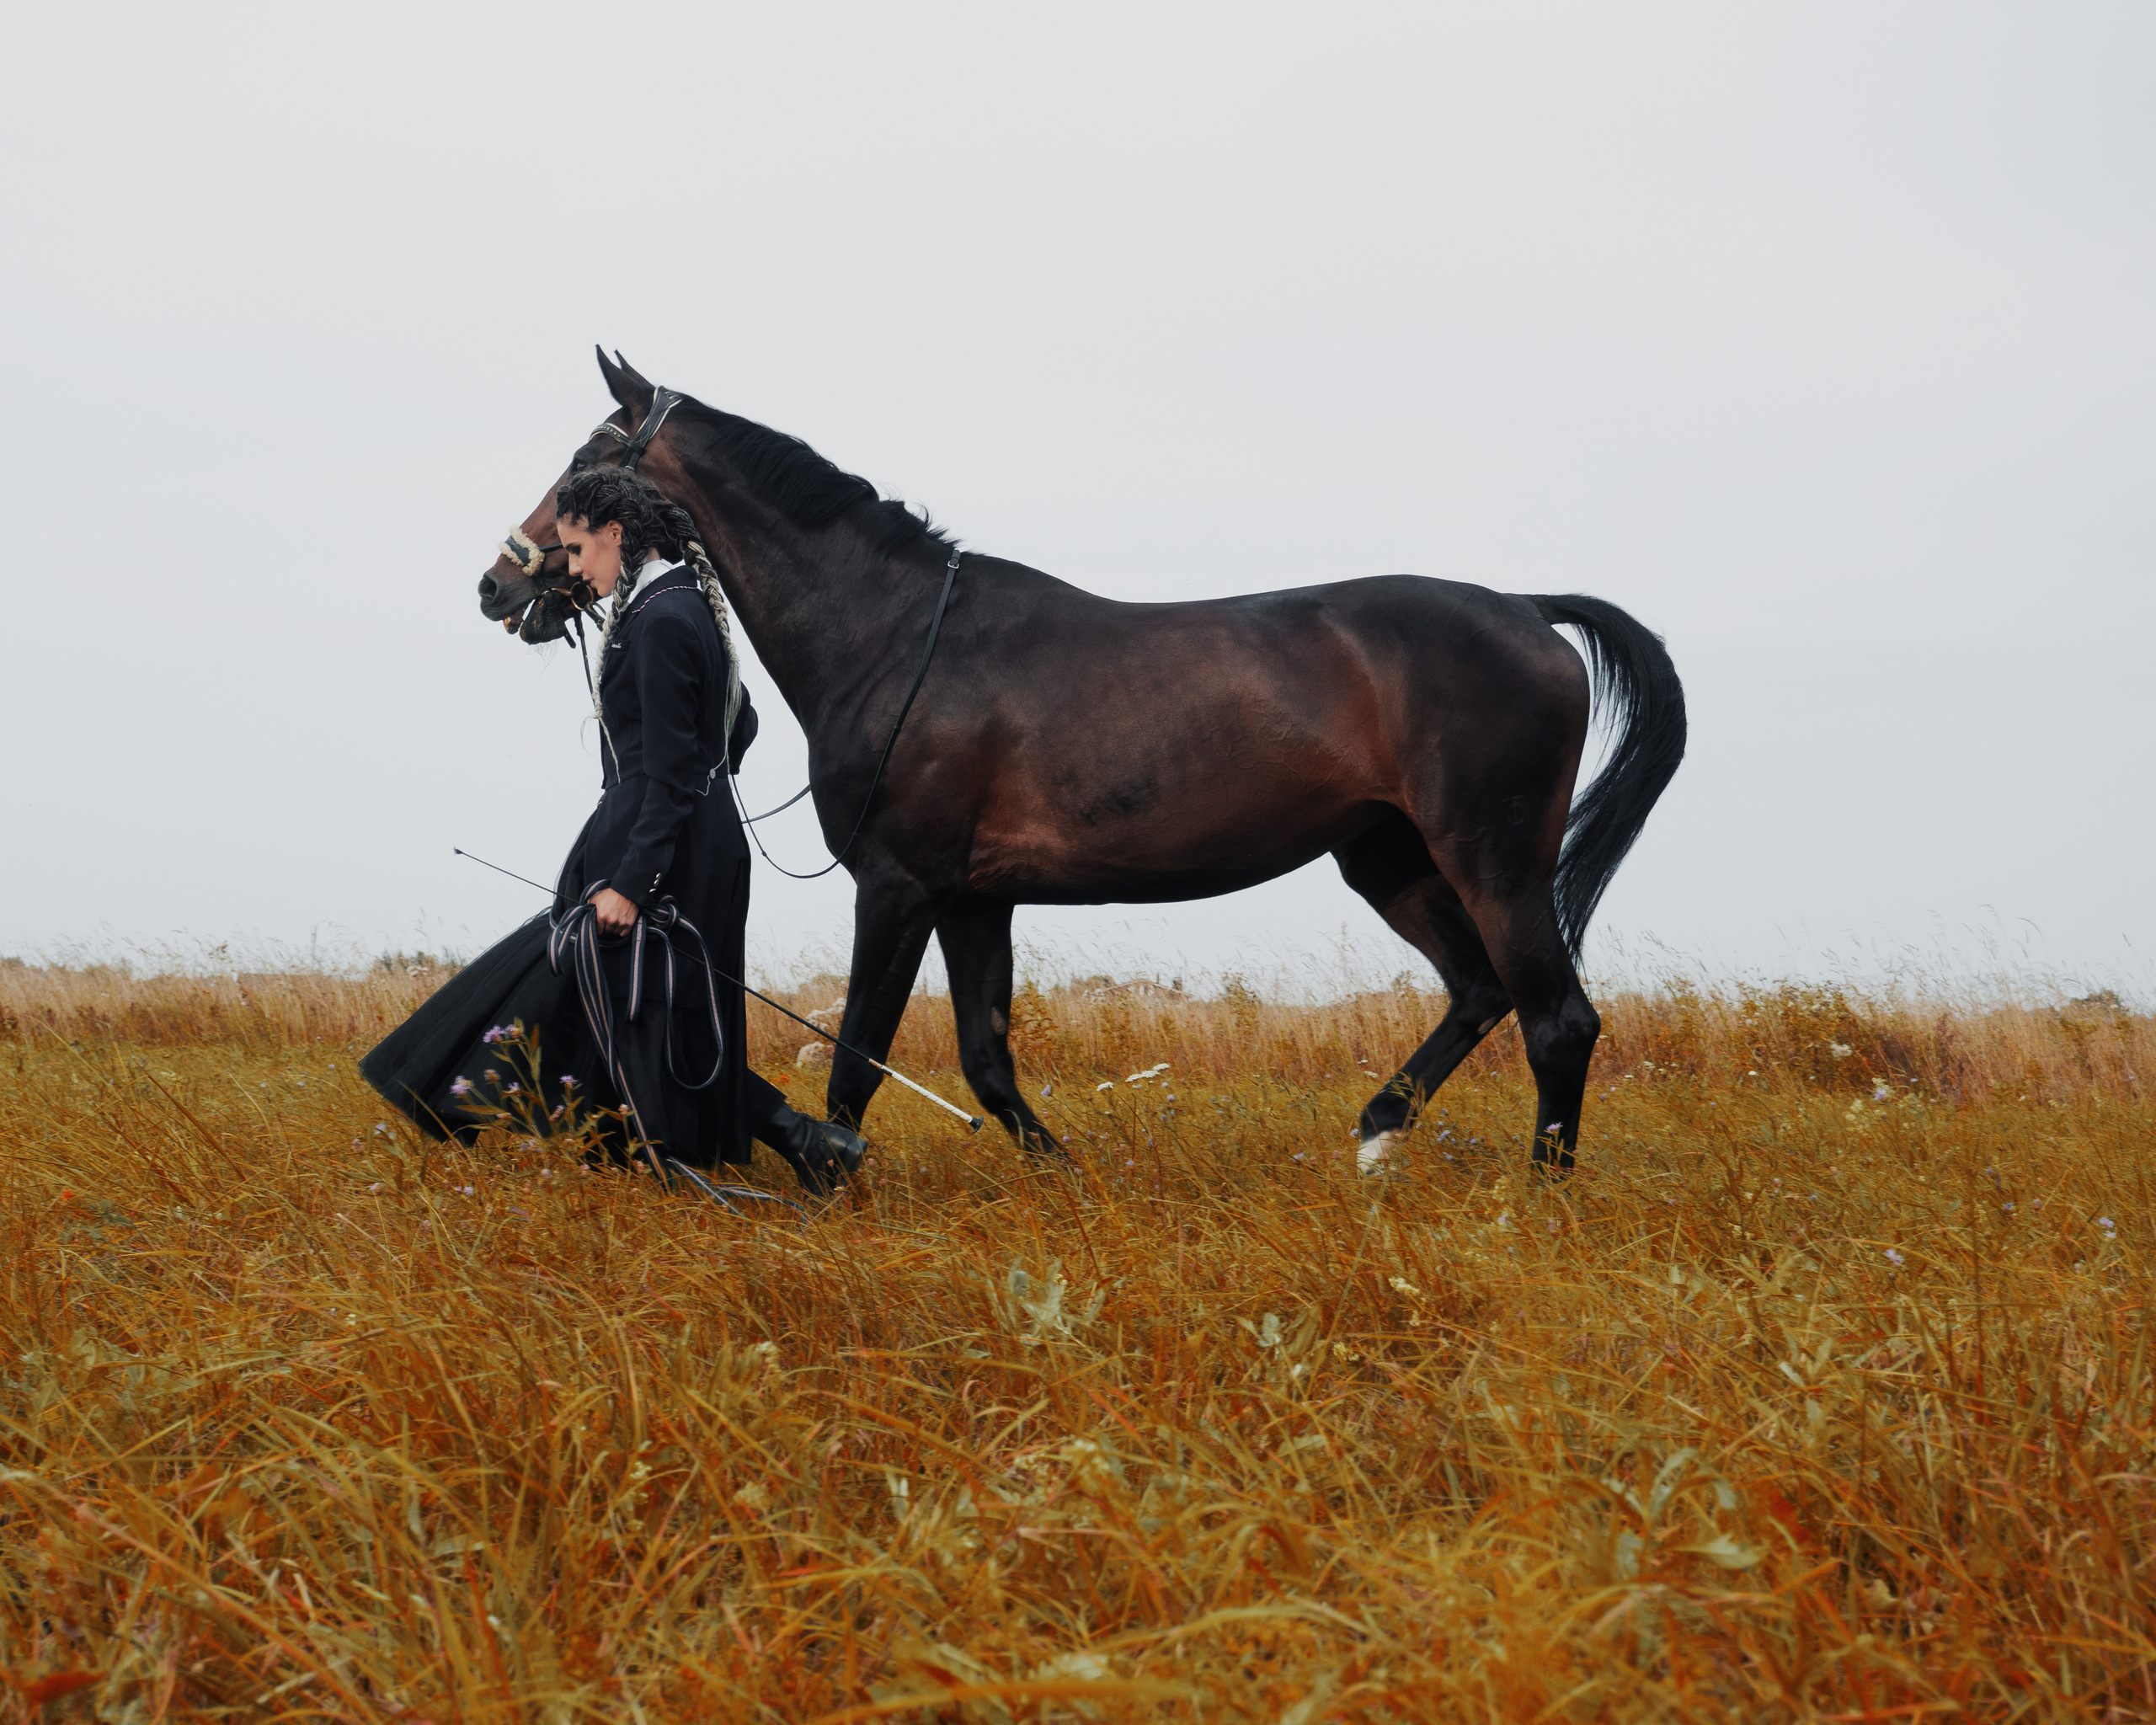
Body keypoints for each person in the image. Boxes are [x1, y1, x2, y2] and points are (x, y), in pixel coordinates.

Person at [363, 466, 865, 1195]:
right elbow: (738, 725)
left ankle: (783, 1144)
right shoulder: (684, 605)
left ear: (616, 536)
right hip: (685, 830)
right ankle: (793, 1144)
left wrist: (633, 878)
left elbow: (665, 771)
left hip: (664, 842)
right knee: (644, 1009)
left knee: (622, 1002)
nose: (572, 567)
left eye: (576, 550)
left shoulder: (661, 620)